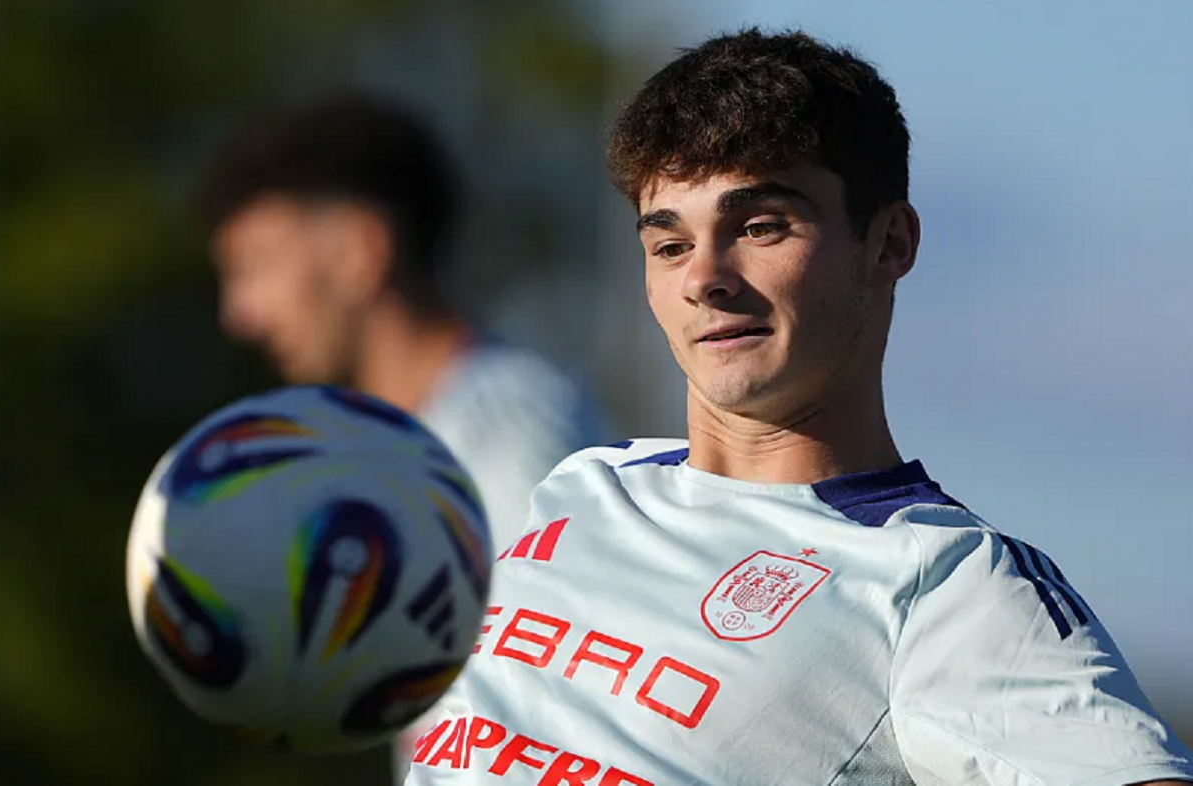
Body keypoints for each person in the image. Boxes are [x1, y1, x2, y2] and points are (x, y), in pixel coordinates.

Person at [402, 29, 1193, 785]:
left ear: (889, 244)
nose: (704, 277)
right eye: (670, 243)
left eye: (759, 226)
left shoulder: (949, 585)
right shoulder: (584, 486)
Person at [199, 91, 606, 553]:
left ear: (360, 250)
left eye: (259, 265)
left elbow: (556, 616)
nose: (239, 315)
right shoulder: (373, 457)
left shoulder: (504, 430)